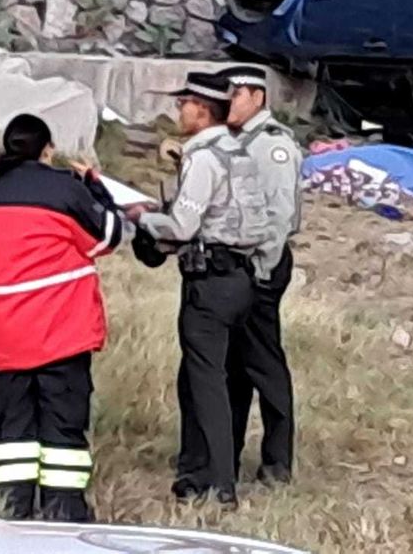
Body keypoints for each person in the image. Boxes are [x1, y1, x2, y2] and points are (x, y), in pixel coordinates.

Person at [0, 114, 122, 522]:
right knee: (62, 430)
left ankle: (13, 512)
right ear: (48, 150)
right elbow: (108, 237)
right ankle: (63, 513)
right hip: (63, 335)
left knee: (13, 434)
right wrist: (96, 188)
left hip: (5, 339)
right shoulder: (64, 191)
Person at [129, 72, 269, 508]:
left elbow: (183, 226)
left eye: (184, 103)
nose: (178, 111)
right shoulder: (241, 152)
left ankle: (219, 484)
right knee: (217, 379)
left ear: (202, 109)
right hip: (243, 277)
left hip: (209, 281)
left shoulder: (204, 157)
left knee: (205, 383)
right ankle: (198, 470)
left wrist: (141, 218)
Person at [217, 66, 302, 485]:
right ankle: (226, 454)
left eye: (232, 96)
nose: (225, 104)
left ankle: (276, 460)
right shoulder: (233, 142)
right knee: (233, 364)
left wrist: (263, 270)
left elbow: (279, 212)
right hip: (238, 264)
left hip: (261, 264)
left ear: (255, 97)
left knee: (264, 362)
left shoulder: (271, 147)